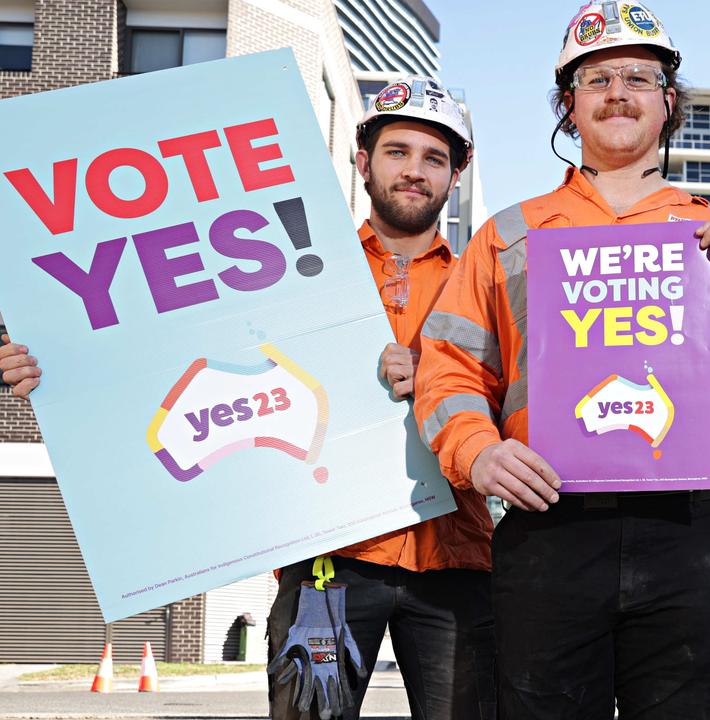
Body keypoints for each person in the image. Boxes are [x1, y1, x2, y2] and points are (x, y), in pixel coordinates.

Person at [0, 76, 496, 720]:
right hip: (328, 563)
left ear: (456, 175)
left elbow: (521, 402)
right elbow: (164, 348)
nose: (414, 171)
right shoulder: (286, 269)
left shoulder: (485, 284)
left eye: (434, 158)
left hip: (456, 556)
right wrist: (58, 367)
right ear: (362, 160)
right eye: (397, 151)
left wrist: (441, 379)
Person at [413, 3, 710, 717]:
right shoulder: (509, 235)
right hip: (549, 528)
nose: (618, 92)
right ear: (568, 105)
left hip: (690, 536)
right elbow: (449, 367)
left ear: (668, 102)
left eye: (640, 76)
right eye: (596, 78)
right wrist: (477, 452)